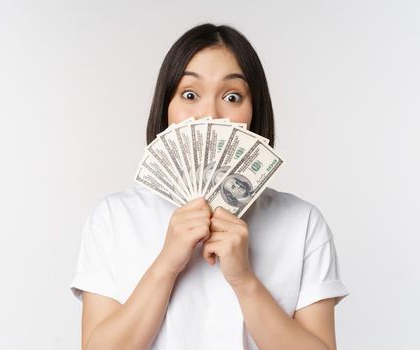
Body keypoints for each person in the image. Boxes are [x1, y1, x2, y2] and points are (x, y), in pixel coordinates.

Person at [70, 23, 349, 349]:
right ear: (166, 108)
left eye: (232, 96)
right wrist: (167, 263)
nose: (209, 114)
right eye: (190, 94)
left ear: (254, 110)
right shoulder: (114, 218)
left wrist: (243, 279)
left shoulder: (302, 223)